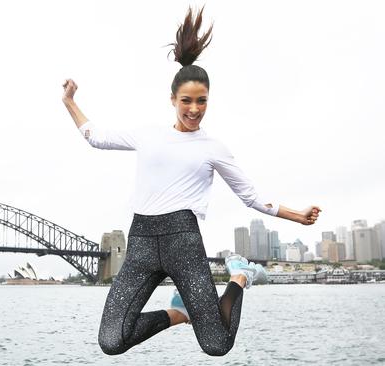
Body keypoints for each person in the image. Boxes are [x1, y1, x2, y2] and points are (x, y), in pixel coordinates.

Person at [61, 6, 321, 357]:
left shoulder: (213, 148)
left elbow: (253, 198)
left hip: (184, 242)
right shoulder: (148, 135)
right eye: (187, 100)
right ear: (173, 100)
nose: (194, 109)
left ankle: (240, 275)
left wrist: (298, 215)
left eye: (202, 101)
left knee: (217, 344)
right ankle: (178, 313)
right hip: (141, 241)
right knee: (112, 341)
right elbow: (95, 136)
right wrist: (69, 101)